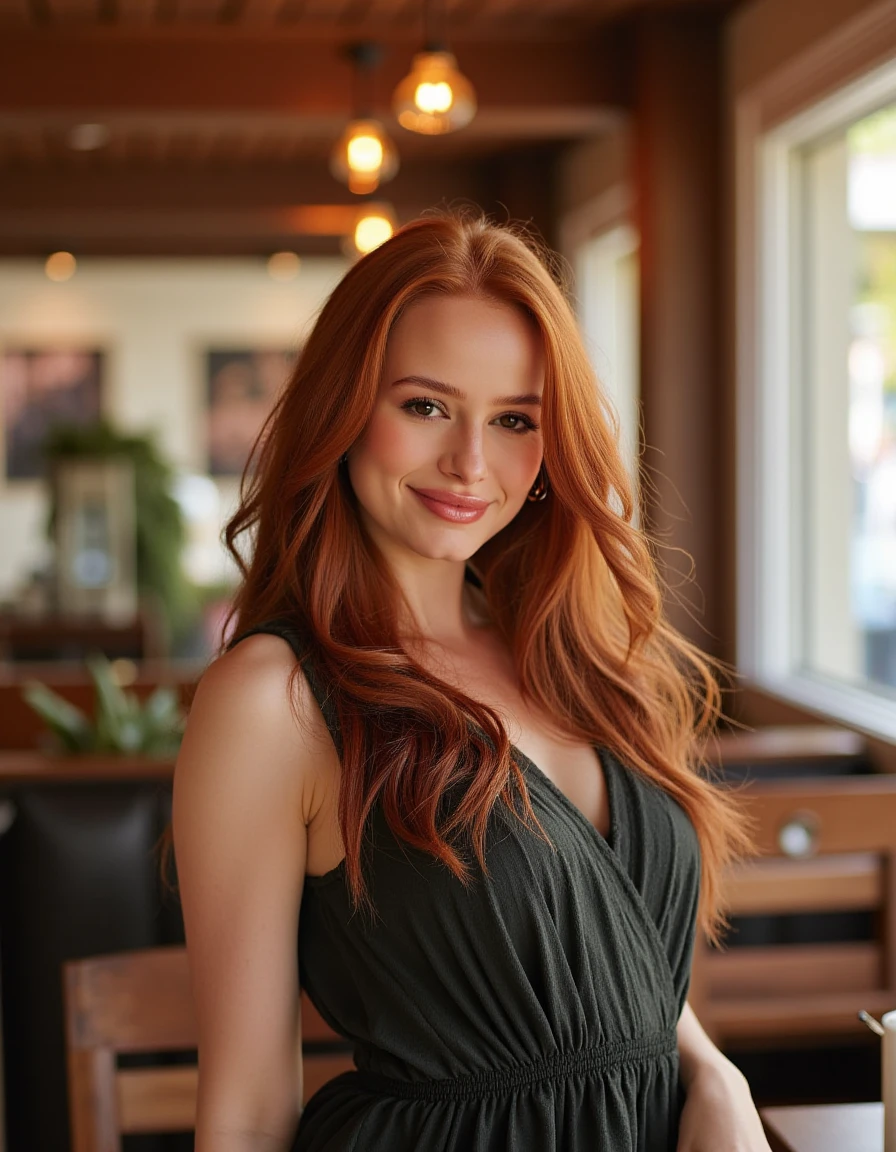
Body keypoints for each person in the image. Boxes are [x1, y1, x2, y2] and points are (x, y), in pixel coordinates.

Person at [172, 212, 770, 1152]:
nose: (470, 462)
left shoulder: (570, 657)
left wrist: (712, 1074)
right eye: (424, 406)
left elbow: (613, 978)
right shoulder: (273, 701)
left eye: (515, 420)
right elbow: (245, 1113)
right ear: (343, 407)